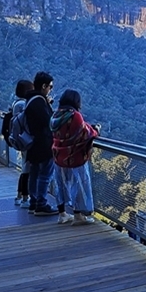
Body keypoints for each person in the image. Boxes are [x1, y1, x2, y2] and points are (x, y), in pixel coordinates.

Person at [50, 89, 100, 225]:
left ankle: (62, 214)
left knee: (60, 184)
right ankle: (78, 216)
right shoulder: (75, 116)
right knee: (78, 184)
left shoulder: (55, 115)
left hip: (58, 155)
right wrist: (96, 130)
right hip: (74, 156)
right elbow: (85, 132)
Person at [24, 71, 59, 216]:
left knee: (34, 173)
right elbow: (49, 122)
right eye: (50, 87)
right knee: (45, 175)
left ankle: (33, 202)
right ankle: (41, 204)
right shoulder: (39, 101)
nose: (50, 89)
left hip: (34, 144)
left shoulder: (30, 99)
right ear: (44, 86)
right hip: (44, 144)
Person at [9, 80, 34, 206]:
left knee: (25, 167)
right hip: (26, 140)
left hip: (21, 139)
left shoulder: (16, 104)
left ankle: (19, 195)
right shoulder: (23, 104)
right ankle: (25, 197)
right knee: (27, 170)